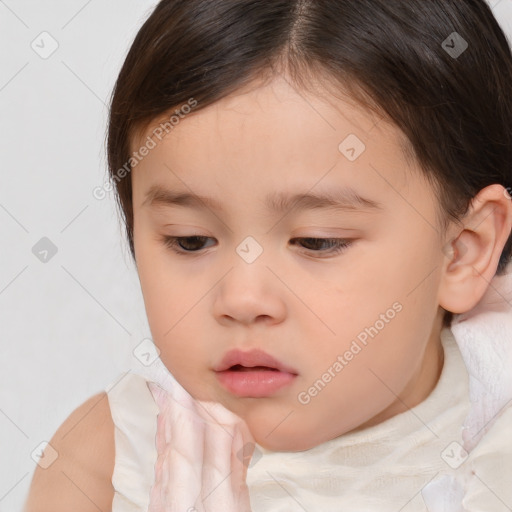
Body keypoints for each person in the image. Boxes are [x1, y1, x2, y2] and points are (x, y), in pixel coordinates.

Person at [24, 0, 512, 510]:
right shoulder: (105, 462)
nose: (242, 298)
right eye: (190, 240)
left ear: (461, 251)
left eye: (317, 241)